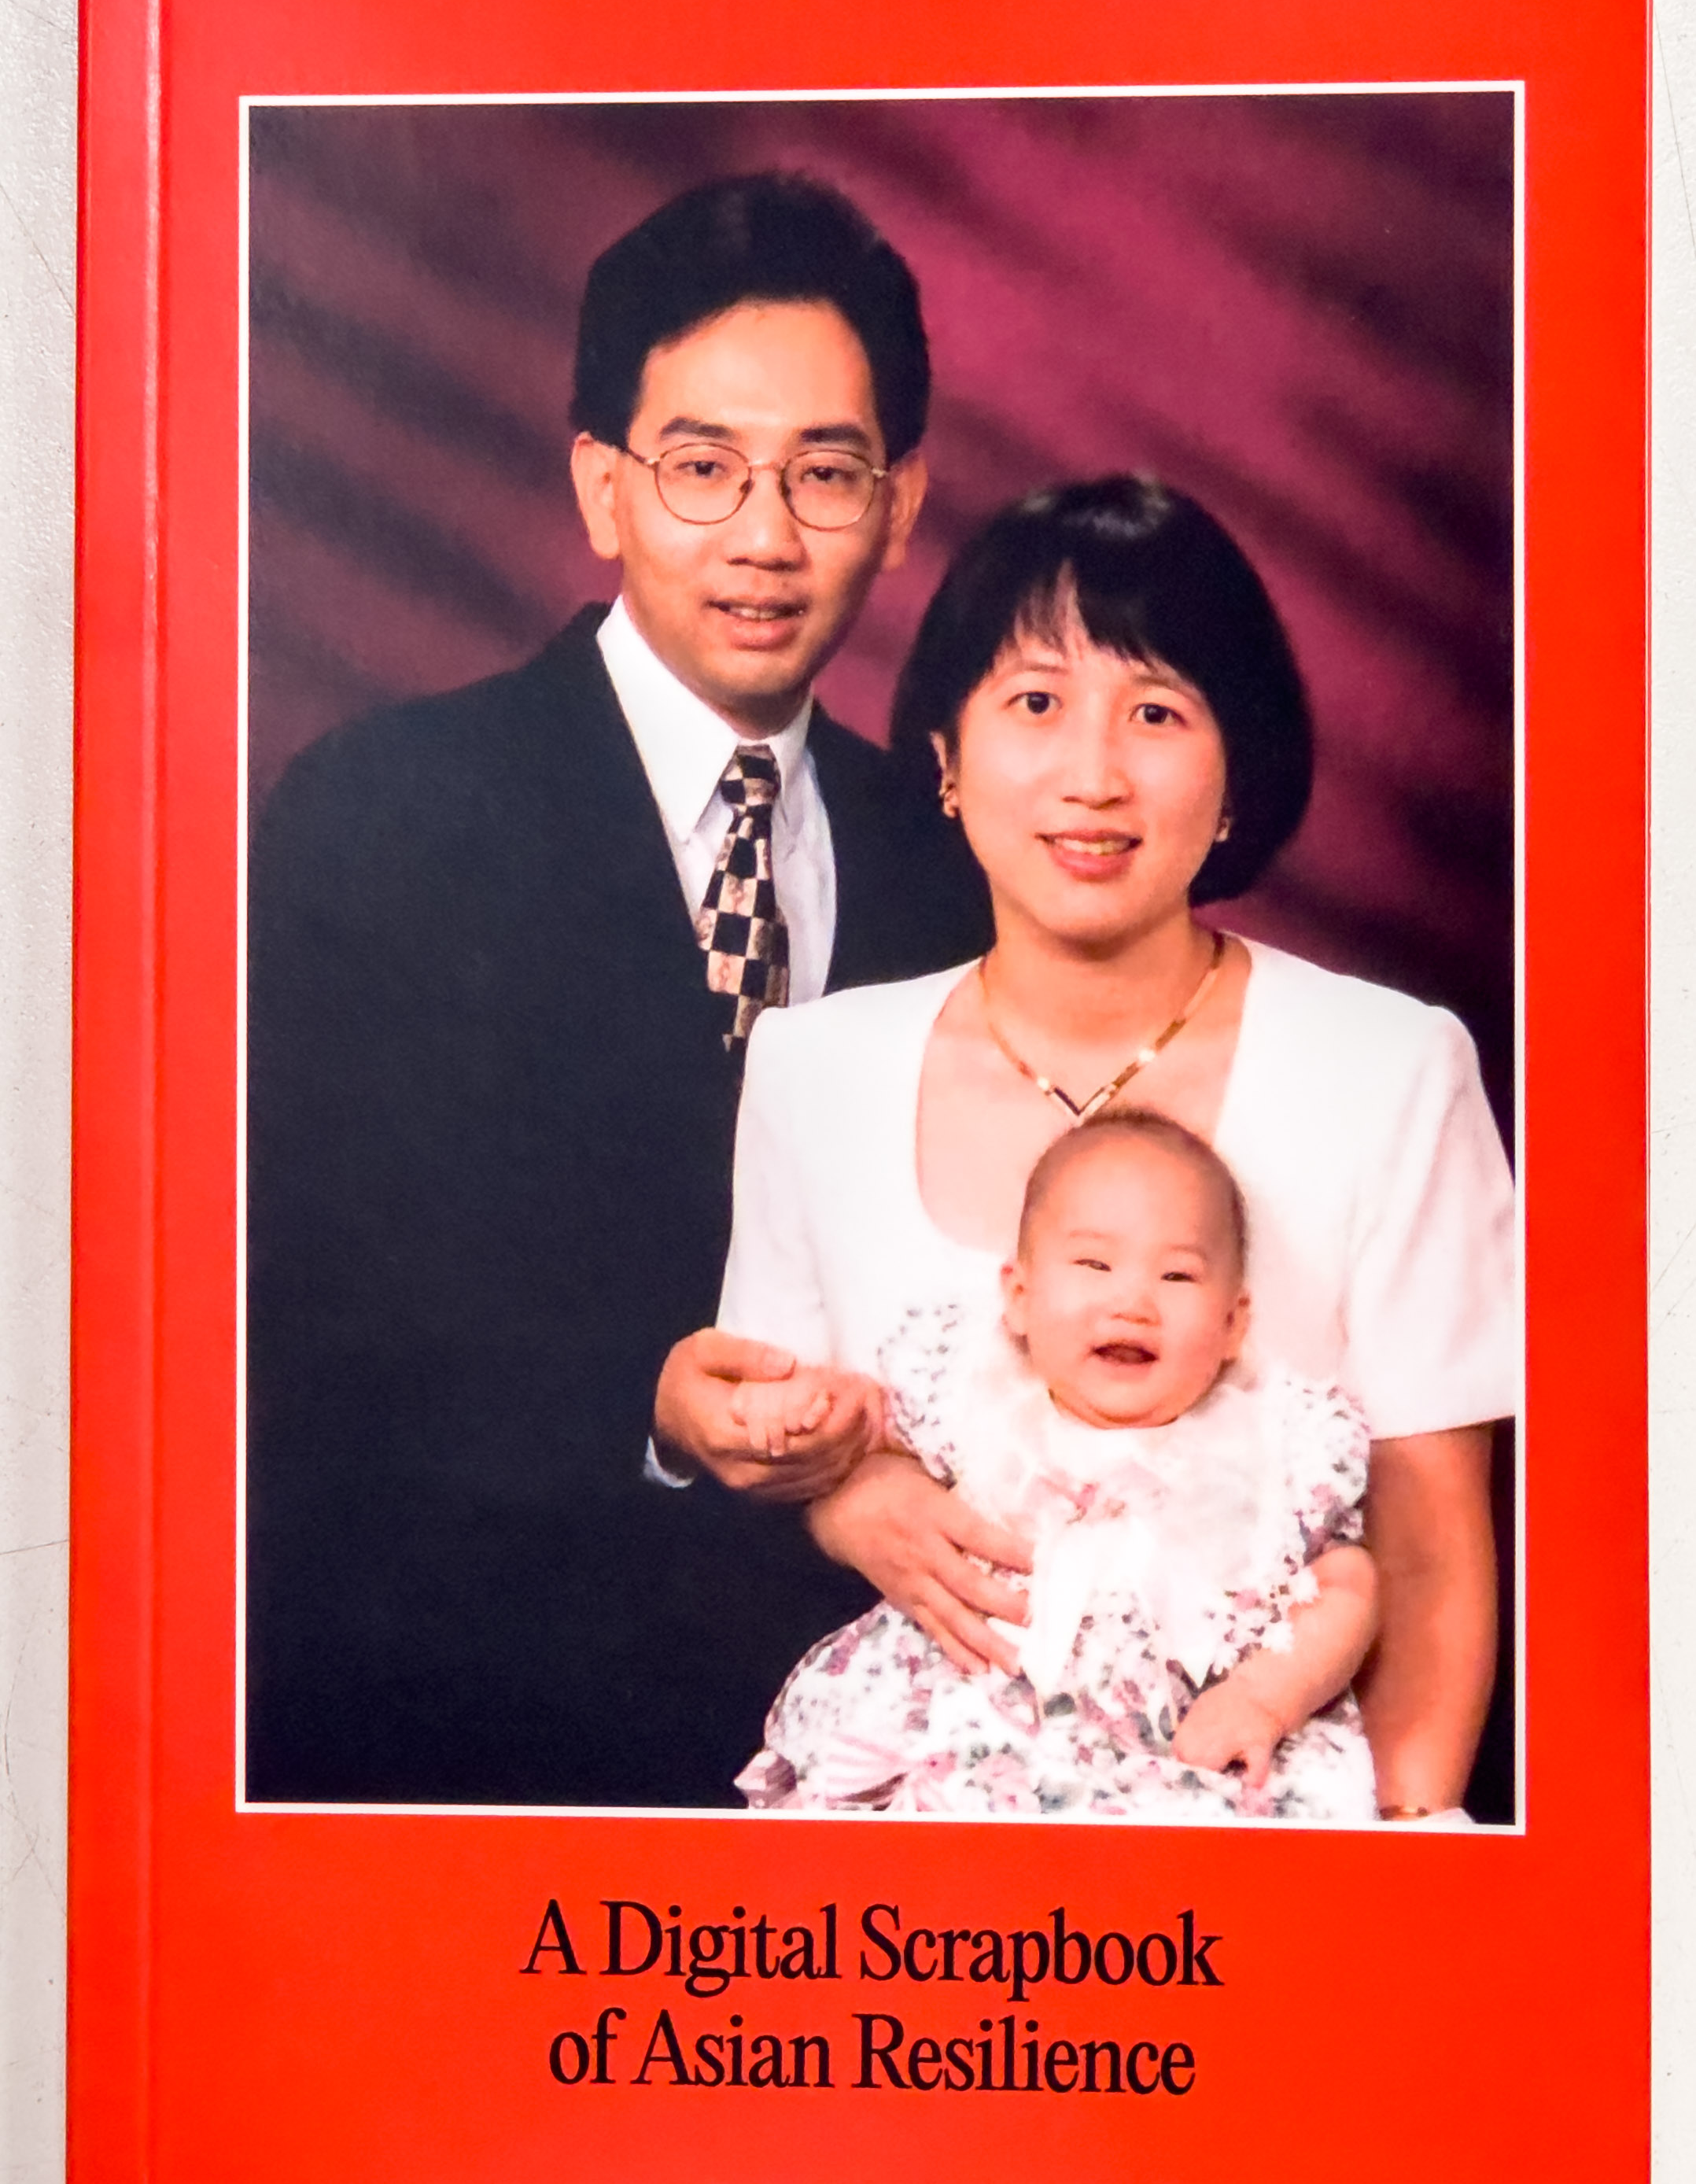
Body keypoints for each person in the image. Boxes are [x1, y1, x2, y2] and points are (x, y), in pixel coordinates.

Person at [244, 172, 991, 1810]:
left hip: (856, 1751)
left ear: (901, 502)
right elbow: (300, 1305)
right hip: (455, 1725)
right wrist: (638, 1400)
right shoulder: (379, 810)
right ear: (601, 487)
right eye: (703, 467)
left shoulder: (950, 866)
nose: (766, 535)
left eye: (825, 472)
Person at [658, 476, 1517, 1822]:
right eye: (1036, 702)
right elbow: (779, 1446)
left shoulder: (1393, 1068)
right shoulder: (812, 1067)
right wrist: (836, 1490)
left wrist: (1397, 1890)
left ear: (1238, 770)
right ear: (944, 755)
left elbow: (1429, 1547)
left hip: (1270, 1835)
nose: (1094, 775)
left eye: (1159, 712)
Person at [734, 1109, 1381, 1822]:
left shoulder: (1269, 1444)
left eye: (1177, 1275)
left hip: (1175, 1749)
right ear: (1019, 1297)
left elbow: (1346, 1581)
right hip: (968, 1715)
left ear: (1233, 1323)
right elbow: (860, 1424)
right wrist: (797, 1406)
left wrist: (1265, 1696)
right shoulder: (974, 1392)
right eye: (1094, 1265)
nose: (1133, 1303)